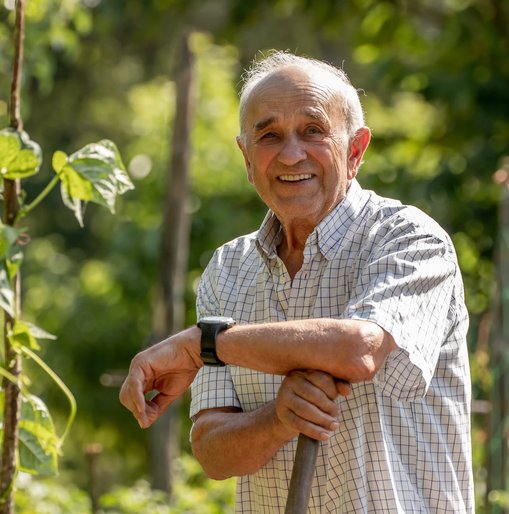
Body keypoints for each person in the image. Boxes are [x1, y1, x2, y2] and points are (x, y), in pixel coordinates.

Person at [120, 51, 474, 513]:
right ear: (247, 158)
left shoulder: (408, 238)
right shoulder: (228, 270)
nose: (290, 154)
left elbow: (359, 348)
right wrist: (278, 418)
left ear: (355, 150)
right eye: (269, 135)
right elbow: (211, 450)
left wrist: (202, 344)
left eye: (313, 131)